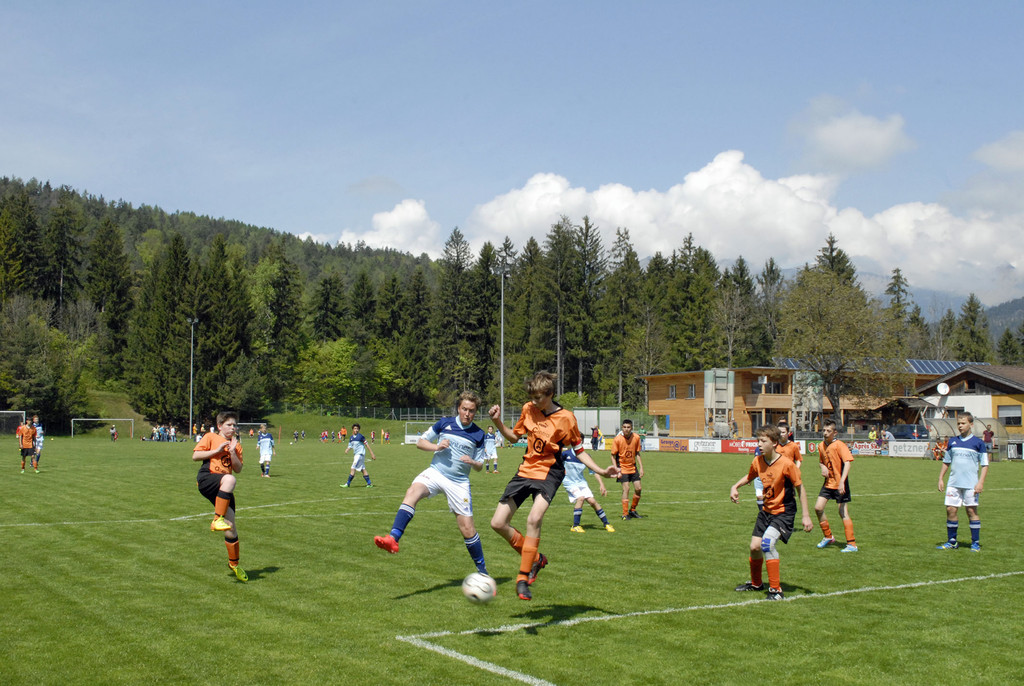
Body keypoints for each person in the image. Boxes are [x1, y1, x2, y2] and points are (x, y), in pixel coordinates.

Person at [488, 370, 619, 601]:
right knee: (497, 523)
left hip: (550, 472)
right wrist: (497, 421)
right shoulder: (528, 409)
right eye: (532, 397)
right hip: (526, 470)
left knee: (534, 519)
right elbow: (514, 437)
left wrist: (600, 471)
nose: (534, 402)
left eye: (538, 398)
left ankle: (523, 577)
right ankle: (536, 559)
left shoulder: (566, 418)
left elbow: (579, 450)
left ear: (549, 395)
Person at [374, 391, 491, 580]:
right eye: (464, 409)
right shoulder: (444, 423)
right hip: (436, 472)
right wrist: (436, 447)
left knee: (467, 529)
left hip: (459, 482)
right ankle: (393, 538)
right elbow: (420, 442)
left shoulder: (479, 434)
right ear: (458, 408)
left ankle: (483, 572)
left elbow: (479, 466)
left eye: (471, 411)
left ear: (475, 412)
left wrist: (472, 462)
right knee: (412, 491)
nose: (467, 414)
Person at [730, 425, 813, 600]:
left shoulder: (787, 464)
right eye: (758, 441)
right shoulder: (758, 461)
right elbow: (750, 476)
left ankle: (776, 591)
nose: (759, 444)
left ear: (774, 443)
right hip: (766, 511)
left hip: (784, 512)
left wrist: (806, 516)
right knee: (754, 547)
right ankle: (756, 584)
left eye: (763, 441)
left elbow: (800, 488)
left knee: (767, 544)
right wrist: (735, 486)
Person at [192, 411, 247, 582]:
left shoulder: (236, 445)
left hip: (224, 486)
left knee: (231, 527)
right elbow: (195, 456)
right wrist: (216, 450)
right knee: (230, 479)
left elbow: (238, 468)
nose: (233, 428)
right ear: (220, 426)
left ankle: (234, 564)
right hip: (207, 478)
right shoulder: (210, 437)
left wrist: (232, 452)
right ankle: (217, 519)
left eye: (235, 425)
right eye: (229, 425)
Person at [937, 413, 988, 551]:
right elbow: (946, 461)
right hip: (953, 483)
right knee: (950, 510)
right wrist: (941, 478)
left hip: (971, 485)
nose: (960, 426)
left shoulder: (978, 443)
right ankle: (952, 542)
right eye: (958, 423)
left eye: (963, 423)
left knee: (971, 511)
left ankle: (975, 543)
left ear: (971, 424)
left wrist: (980, 483)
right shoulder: (953, 442)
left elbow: (985, 465)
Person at [813, 418, 858, 553]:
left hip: (840, 484)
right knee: (818, 508)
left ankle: (852, 544)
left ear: (835, 433)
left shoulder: (840, 445)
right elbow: (821, 461)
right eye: (824, 430)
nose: (825, 433)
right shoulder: (821, 446)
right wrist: (822, 467)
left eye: (828, 431)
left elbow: (848, 463)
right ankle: (828, 537)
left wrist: (842, 482)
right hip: (828, 483)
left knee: (842, 512)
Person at [563, 448, 615, 533]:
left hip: (581, 482)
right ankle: (575, 526)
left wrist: (601, 484)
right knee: (581, 498)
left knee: (592, 501)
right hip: (569, 482)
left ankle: (606, 524)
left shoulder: (586, 456)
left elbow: (595, 471)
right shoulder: (565, 454)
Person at [611, 419, 645, 519]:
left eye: (628, 427)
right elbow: (613, 456)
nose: (626, 429)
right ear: (622, 428)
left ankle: (632, 510)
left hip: (633, 467)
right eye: (624, 427)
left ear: (631, 428)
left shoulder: (636, 437)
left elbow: (637, 453)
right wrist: (616, 469)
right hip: (622, 468)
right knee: (626, 489)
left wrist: (641, 467)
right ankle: (625, 514)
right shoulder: (617, 439)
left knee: (638, 488)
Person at [342, 423, 376, 488]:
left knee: (353, 468)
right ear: (352, 429)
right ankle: (369, 484)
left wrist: (372, 453)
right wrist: (347, 449)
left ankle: (347, 483)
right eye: (355, 428)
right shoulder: (351, 438)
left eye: (357, 429)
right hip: (356, 455)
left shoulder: (361, 436)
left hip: (360, 455)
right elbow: (350, 445)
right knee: (363, 469)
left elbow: (367, 445)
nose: (356, 430)